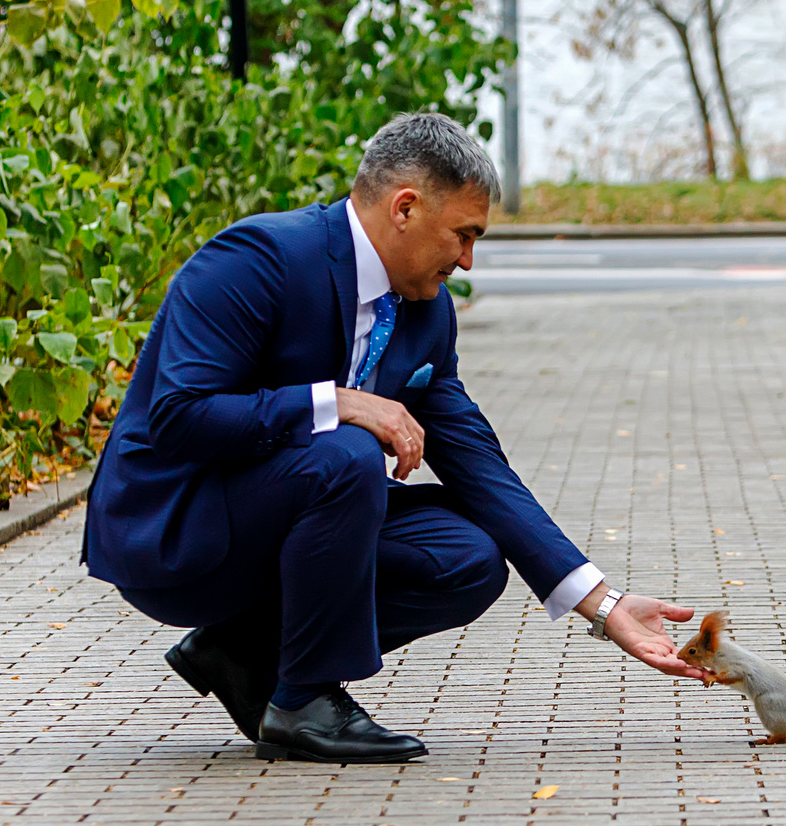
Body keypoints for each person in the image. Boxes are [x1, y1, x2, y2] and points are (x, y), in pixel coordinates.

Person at [82, 112, 704, 763]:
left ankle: (244, 651)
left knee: (469, 555)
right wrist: (338, 403)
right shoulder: (259, 259)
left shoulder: (425, 312)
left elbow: (478, 464)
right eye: (463, 235)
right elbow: (177, 416)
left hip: (281, 518)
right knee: (347, 450)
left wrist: (603, 605)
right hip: (176, 531)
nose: (466, 260)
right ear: (405, 208)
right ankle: (305, 700)